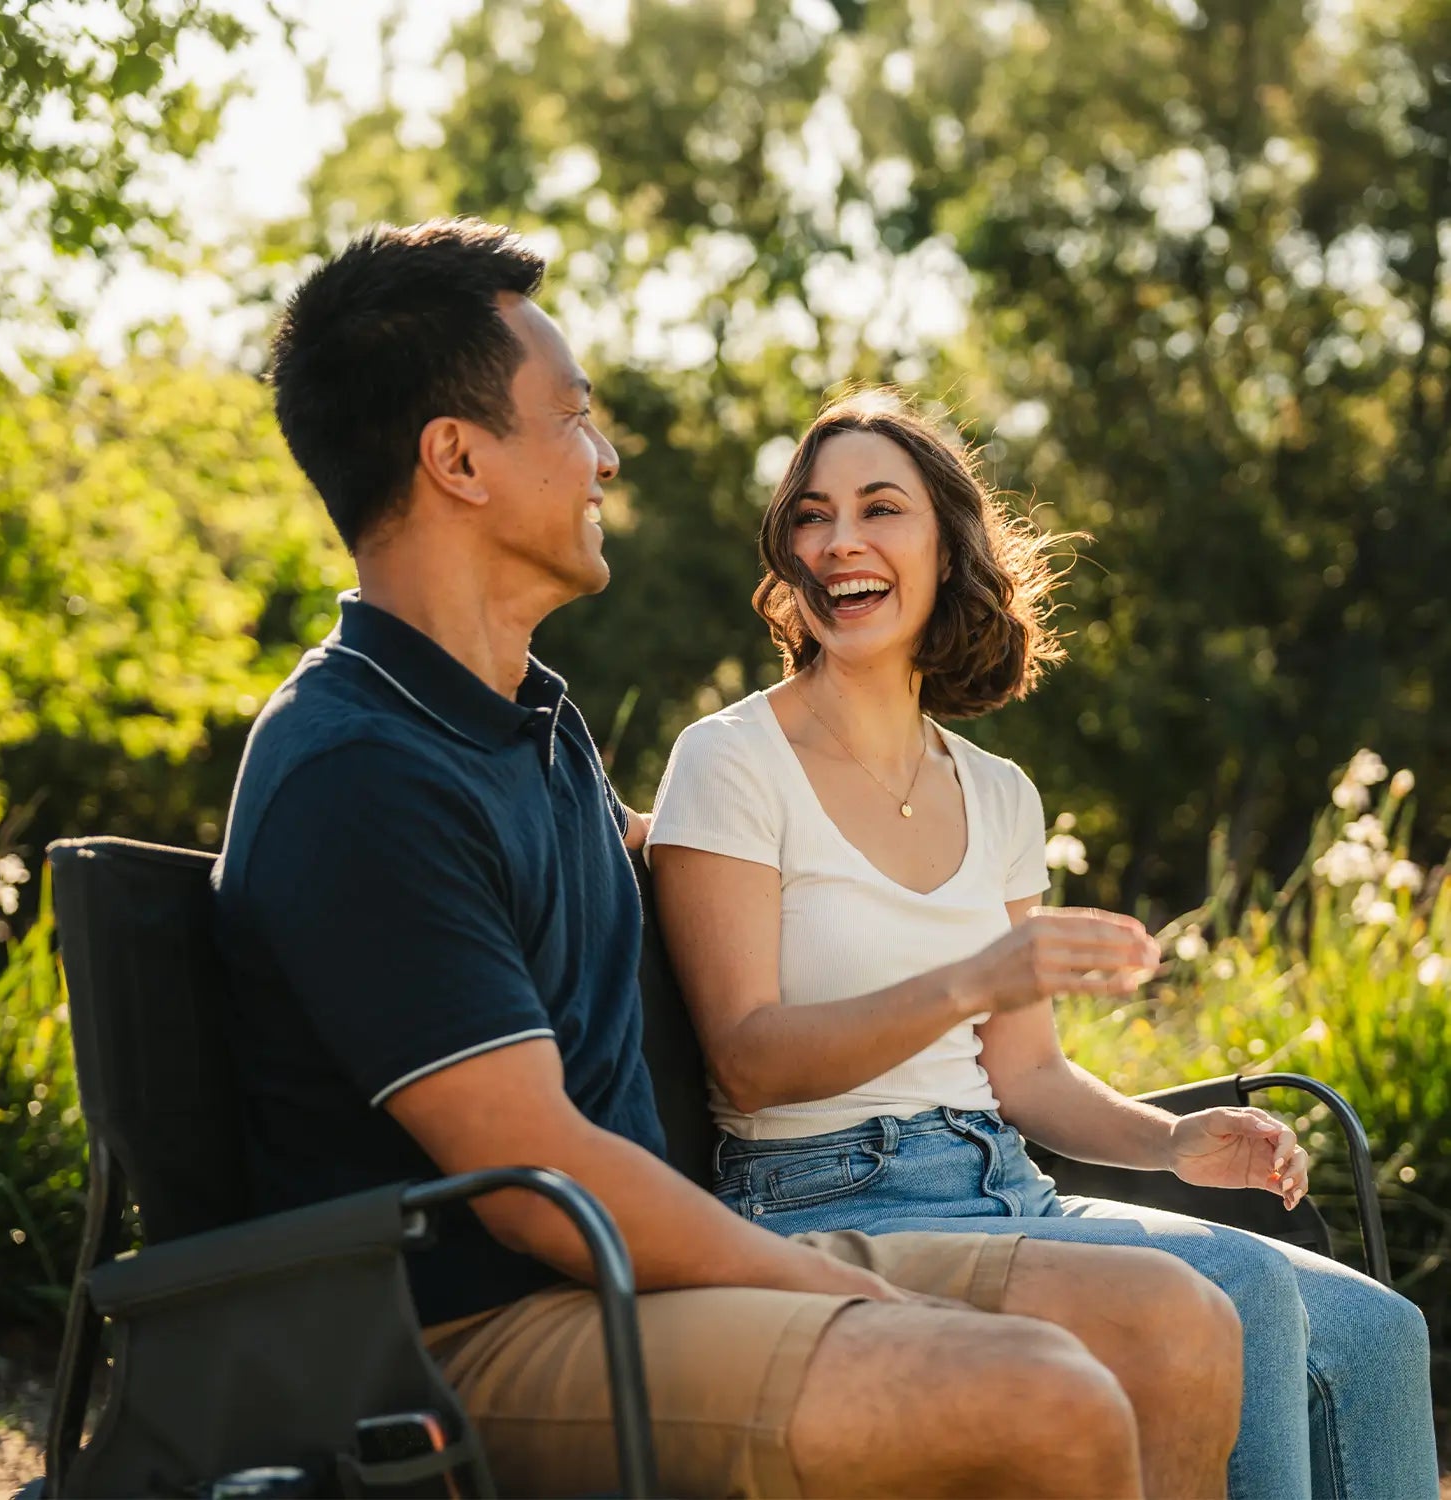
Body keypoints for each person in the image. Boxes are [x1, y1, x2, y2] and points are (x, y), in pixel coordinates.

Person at [212, 219, 1246, 1499]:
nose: (605, 458)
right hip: (472, 1333)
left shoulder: (528, 726)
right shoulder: (361, 763)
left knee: (1172, 1325)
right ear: (457, 458)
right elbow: (539, 1187)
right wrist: (819, 1279)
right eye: (574, 421)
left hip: (620, 1280)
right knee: (1041, 1396)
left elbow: (654, 859)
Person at [646, 390, 1440, 1500]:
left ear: (947, 552)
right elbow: (746, 1057)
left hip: (1006, 1187)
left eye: (882, 508)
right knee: (1244, 1290)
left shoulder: (999, 792)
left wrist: (1171, 1144)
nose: (841, 542)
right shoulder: (730, 762)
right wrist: (971, 978)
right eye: (813, 516)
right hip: (822, 1200)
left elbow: (1027, 1075)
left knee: (1380, 1336)